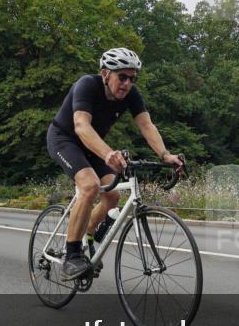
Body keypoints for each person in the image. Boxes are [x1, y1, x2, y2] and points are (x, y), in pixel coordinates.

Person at [47, 48, 183, 281]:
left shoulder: (132, 94)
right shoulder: (87, 85)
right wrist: (108, 153)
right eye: (122, 76)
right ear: (105, 74)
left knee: (112, 195)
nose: (127, 83)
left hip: (93, 145)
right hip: (64, 139)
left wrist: (165, 154)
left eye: (132, 78)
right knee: (89, 186)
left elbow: (147, 125)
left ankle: (89, 230)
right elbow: (81, 125)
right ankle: (71, 256)